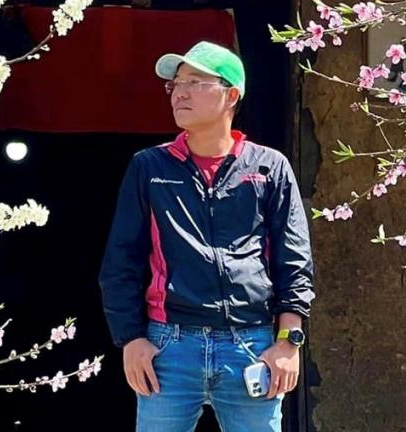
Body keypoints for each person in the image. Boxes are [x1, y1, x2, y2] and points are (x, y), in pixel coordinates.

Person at [99, 41, 314, 432]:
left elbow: (294, 260)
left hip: (251, 344)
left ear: (231, 94)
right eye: (176, 83)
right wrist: (130, 338)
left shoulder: (269, 166)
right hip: (170, 345)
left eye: (195, 82)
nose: (180, 91)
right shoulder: (149, 167)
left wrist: (288, 343)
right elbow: (120, 260)